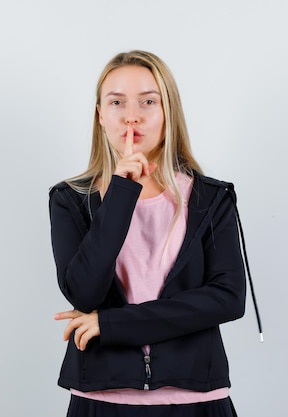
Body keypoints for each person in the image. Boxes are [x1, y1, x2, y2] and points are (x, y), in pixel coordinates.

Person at [49, 50, 261, 417]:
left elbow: (227, 298)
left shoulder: (211, 198)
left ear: (168, 112)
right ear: (100, 115)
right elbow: (84, 292)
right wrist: (119, 193)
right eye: (117, 102)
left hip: (198, 401)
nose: (132, 115)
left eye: (148, 101)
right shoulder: (71, 199)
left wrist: (111, 324)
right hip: (101, 402)